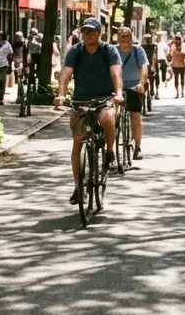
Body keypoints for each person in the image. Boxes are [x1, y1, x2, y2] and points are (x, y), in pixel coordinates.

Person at [55, 17, 123, 205]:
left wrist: (118, 93)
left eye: (92, 31)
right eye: (85, 31)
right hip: (81, 100)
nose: (88, 35)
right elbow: (66, 73)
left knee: (108, 117)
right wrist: (61, 94)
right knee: (78, 141)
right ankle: (78, 186)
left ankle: (109, 151)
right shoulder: (75, 51)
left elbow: (116, 73)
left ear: (99, 33)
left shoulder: (109, 50)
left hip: (104, 99)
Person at [117, 27, 150, 158]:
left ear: (131, 38)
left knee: (135, 117)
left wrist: (141, 84)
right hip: (116, 87)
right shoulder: (113, 50)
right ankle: (109, 148)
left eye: (127, 36)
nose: (125, 39)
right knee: (110, 116)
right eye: (122, 36)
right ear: (118, 38)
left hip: (134, 87)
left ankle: (137, 146)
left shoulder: (138, 50)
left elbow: (144, 67)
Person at [141, 33, 158, 101]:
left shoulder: (154, 46)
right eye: (147, 39)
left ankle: (153, 91)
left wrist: (154, 65)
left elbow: (155, 56)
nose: (148, 40)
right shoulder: (142, 46)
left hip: (152, 63)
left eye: (149, 39)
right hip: (144, 63)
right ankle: (143, 91)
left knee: (153, 77)